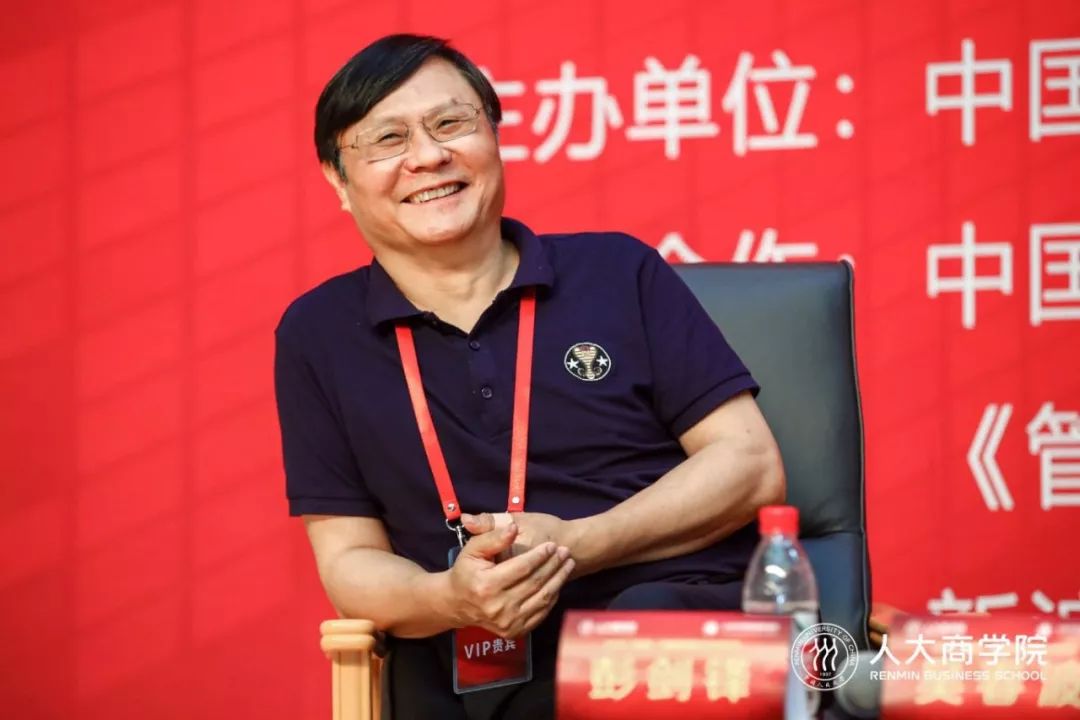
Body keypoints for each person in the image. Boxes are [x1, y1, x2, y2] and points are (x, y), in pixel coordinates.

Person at [274, 33, 785, 719]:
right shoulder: (317, 334)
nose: (427, 156)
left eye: (450, 123)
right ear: (339, 180)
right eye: (388, 139)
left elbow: (750, 465)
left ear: (494, 136)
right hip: (464, 653)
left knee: (640, 648)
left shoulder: (618, 271)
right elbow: (348, 560)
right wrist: (447, 597)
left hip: (663, 625)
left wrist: (580, 544)